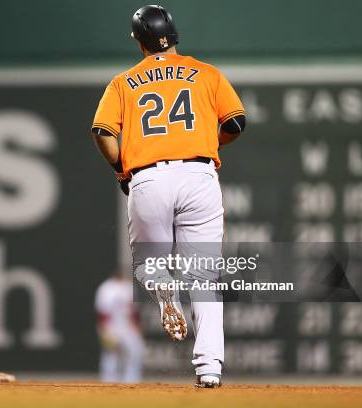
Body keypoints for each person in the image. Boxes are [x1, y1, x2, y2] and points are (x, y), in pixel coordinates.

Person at [90, 5, 246, 388]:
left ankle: (165, 299)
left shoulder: (124, 82)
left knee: (150, 264)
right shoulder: (206, 74)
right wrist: (211, 145)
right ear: (173, 36)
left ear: (139, 42)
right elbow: (236, 122)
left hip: (148, 178)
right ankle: (209, 368)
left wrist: (120, 170)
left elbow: (102, 131)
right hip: (199, 174)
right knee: (205, 275)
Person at [95, 271, 145, 383]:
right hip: (111, 326)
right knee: (111, 353)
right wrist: (103, 328)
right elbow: (102, 311)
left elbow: (134, 311)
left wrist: (137, 326)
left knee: (136, 351)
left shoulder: (128, 286)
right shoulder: (106, 287)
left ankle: (132, 380)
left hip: (127, 326)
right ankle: (108, 381)